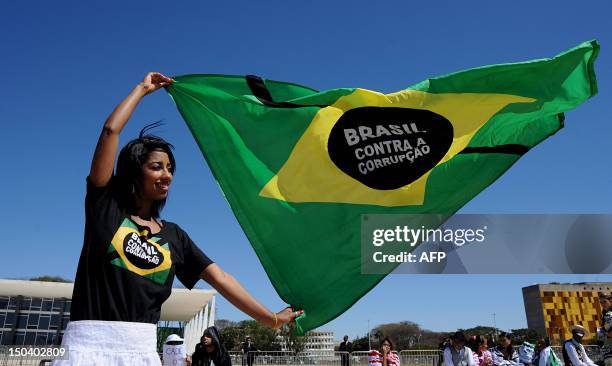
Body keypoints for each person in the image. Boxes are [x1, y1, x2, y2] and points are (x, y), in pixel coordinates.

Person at [53, 72, 302, 366]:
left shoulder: (174, 236)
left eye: (170, 168)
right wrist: (141, 90)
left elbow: (221, 279)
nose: (167, 175)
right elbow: (110, 131)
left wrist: (270, 318)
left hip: (142, 353)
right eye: (157, 167)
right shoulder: (105, 209)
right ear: (134, 173)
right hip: (87, 348)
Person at [599, 294, 612, 366]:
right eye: (601, 303)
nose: (602, 304)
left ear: (610, 301)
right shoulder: (605, 314)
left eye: (604, 302)